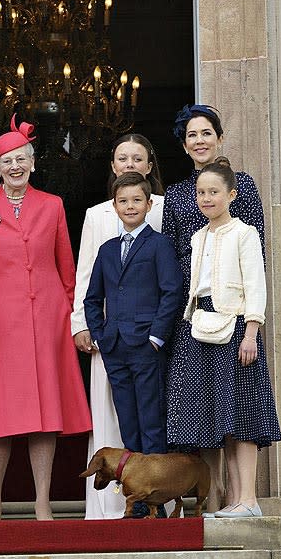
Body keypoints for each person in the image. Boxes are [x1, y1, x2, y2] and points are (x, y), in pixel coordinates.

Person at [0, 116, 92, 521]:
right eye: (6, 161)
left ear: (32, 163)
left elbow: (67, 268)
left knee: (45, 412)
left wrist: (73, 317)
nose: (14, 167)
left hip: (48, 318)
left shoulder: (52, 205)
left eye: (21, 159)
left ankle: (43, 503)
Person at [162, 104, 265, 512]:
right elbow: (172, 254)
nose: (199, 140)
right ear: (184, 145)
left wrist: (251, 321)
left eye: (206, 132)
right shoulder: (176, 195)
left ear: (219, 138)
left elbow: (255, 255)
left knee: (238, 406)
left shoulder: (243, 188)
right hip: (193, 314)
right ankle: (214, 498)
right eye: (192, 135)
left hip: (234, 314)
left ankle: (245, 498)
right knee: (203, 412)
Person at [72, 134, 165, 519]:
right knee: (115, 413)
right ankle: (109, 507)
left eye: (137, 158)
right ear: (113, 166)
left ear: (148, 165)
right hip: (111, 337)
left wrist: (160, 333)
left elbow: (170, 277)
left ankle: (154, 495)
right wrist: (84, 324)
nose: (129, 163)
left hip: (150, 337)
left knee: (151, 412)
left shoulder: (164, 207)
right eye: (122, 158)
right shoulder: (97, 214)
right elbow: (87, 275)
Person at [84, 172, 183, 517]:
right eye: (123, 201)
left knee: (151, 421)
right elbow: (92, 298)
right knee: (128, 421)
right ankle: (137, 499)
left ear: (149, 203)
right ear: (114, 206)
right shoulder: (108, 249)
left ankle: (159, 499)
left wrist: (157, 336)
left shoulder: (159, 245)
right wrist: (100, 334)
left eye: (136, 200)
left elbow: (172, 292)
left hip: (146, 344)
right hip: (114, 347)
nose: (130, 206)